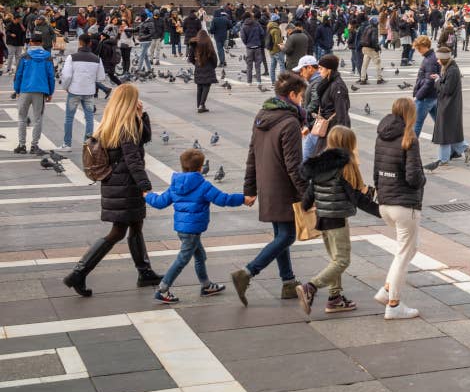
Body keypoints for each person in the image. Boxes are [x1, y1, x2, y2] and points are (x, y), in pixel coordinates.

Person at [63, 84, 160, 296]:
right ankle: (78, 273)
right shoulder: (126, 127)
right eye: (136, 99)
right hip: (126, 184)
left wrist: (141, 115)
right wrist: (145, 187)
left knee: (136, 225)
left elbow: (144, 138)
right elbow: (133, 159)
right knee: (117, 232)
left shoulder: (114, 122)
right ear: (129, 101)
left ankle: (145, 272)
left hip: (117, 182)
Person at [231, 72, 308, 306]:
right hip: (284, 187)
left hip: (268, 184)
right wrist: (308, 194)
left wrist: (250, 187)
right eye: (302, 97)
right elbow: (294, 165)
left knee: (280, 235)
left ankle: (288, 282)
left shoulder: (262, 115)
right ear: (292, 95)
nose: (303, 101)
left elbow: (252, 154)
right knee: (287, 236)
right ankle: (248, 272)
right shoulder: (290, 122)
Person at [295, 125, 380, 315]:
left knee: (334, 259)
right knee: (342, 261)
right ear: (348, 144)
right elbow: (357, 197)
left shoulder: (320, 164)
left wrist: (305, 206)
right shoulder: (346, 166)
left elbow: (309, 194)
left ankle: (335, 298)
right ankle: (311, 287)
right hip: (337, 219)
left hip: (322, 218)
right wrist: (381, 212)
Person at [144, 147, 246, 303]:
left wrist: (147, 195)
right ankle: (163, 289)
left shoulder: (175, 185)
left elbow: (159, 202)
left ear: (183, 166)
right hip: (193, 230)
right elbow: (223, 199)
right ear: (200, 167)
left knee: (200, 255)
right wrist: (243, 199)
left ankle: (206, 285)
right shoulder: (203, 186)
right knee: (182, 259)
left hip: (182, 229)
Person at [373, 98, 425, 319]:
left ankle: (386, 291)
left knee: (409, 248)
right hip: (404, 205)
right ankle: (393, 304)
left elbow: (376, 172)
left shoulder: (381, 135)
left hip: (385, 203)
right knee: (403, 254)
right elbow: (413, 177)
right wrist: (423, 180)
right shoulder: (409, 137)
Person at [12, 32, 54, 154]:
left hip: (25, 89)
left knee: (22, 118)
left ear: (30, 42)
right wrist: (50, 92)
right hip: (40, 91)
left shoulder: (25, 56)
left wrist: (17, 90)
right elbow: (51, 76)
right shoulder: (48, 56)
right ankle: (34, 145)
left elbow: (18, 74)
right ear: (41, 43)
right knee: (38, 119)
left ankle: (21, 145)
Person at [60, 34, 102, 150]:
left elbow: (67, 76)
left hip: (74, 90)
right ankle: (87, 144)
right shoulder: (97, 59)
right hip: (89, 91)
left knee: (69, 118)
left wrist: (66, 87)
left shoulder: (72, 57)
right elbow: (100, 78)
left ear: (79, 43)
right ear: (90, 43)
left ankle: (67, 144)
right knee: (89, 118)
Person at [432, 45, 466, 163]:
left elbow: (447, 89)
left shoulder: (452, 71)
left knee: (444, 133)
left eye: (438, 59)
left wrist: (437, 81)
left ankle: (443, 159)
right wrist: (439, 78)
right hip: (448, 104)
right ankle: (465, 148)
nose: (437, 61)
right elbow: (447, 84)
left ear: (443, 59)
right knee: (449, 132)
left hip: (449, 106)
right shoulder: (449, 68)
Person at [314, 54, 351, 131]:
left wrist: (339, 135)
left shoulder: (338, 86)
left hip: (334, 129)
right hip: (327, 126)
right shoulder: (326, 83)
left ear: (329, 70)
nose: (319, 71)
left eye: (321, 68)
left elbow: (341, 113)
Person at [412, 36, 439, 136]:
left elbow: (429, 82)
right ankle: (461, 147)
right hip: (433, 96)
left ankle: (410, 149)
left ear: (425, 46)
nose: (418, 51)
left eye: (419, 48)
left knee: (416, 124)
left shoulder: (429, 60)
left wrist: (418, 96)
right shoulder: (431, 57)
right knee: (441, 124)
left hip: (425, 98)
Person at [187, 30, 219, 114]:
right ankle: (202, 105)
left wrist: (196, 64)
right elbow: (214, 56)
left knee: (199, 86)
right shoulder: (208, 43)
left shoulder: (194, 43)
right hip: (208, 66)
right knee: (206, 86)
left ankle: (199, 105)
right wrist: (213, 65)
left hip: (198, 66)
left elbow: (190, 58)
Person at [240, 14, 266, 84]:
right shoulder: (257, 24)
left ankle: (249, 82)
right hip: (257, 46)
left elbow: (243, 37)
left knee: (249, 66)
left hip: (249, 48)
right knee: (258, 66)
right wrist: (258, 41)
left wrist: (247, 43)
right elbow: (262, 33)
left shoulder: (244, 26)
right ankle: (259, 81)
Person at [359, 16, 383, 84]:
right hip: (371, 48)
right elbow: (373, 40)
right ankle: (379, 78)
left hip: (365, 47)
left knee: (364, 64)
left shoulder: (367, 27)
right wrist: (377, 48)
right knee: (377, 63)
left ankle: (362, 79)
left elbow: (362, 37)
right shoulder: (374, 29)